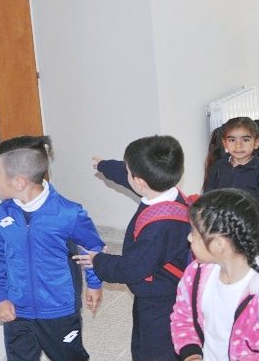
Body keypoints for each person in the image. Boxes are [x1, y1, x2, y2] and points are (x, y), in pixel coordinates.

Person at [0, 136, 104, 360]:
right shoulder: (2, 215)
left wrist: (94, 284)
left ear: (19, 182)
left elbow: (92, 247)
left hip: (59, 310)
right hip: (16, 310)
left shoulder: (68, 213)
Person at [76, 135, 193, 361]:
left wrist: (98, 260)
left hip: (161, 298)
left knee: (154, 349)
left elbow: (133, 268)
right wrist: (104, 166)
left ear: (139, 181)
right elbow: (126, 174)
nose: (124, 172)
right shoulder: (167, 190)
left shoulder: (158, 231)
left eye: (128, 170)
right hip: (162, 285)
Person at [170, 189, 259, 360]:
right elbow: (183, 317)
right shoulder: (195, 273)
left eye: (195, 234)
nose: (189, 238)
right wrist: (191, 354)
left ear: (219, 245)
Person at [203, 117, 259, 249]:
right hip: (220, 235)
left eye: (245, 139)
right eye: (232, 140)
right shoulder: (219, 167)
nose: (238, 145)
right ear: (224, 143)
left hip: (248, 238)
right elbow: (208, 199)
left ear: (256, 143)